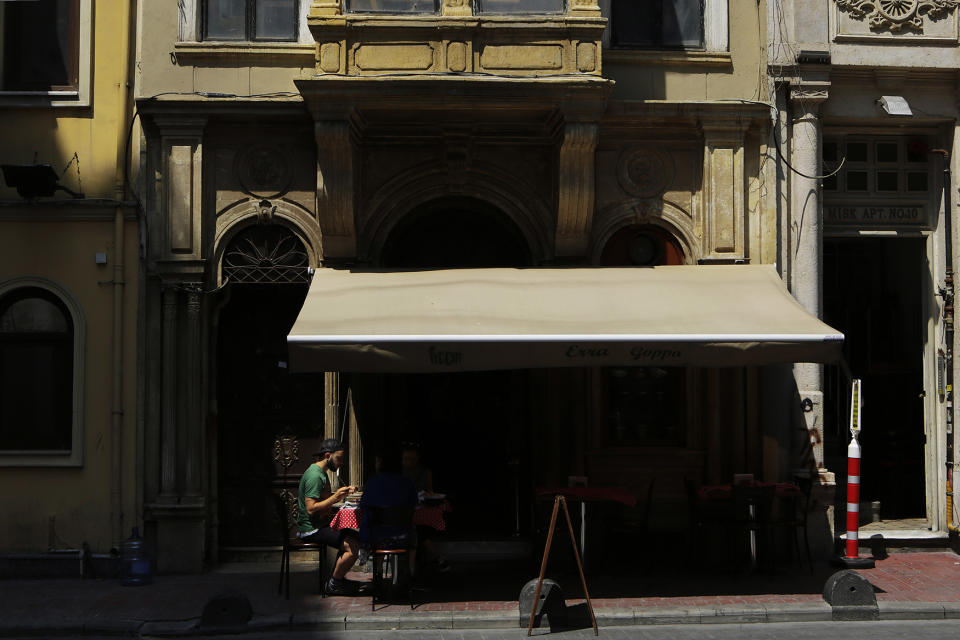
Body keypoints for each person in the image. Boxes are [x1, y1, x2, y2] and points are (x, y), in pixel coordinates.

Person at [296, 438, 361, 596]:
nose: (341, 462)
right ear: (327, 455)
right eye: (339, 458)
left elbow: (320, 498)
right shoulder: (315, 476)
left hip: (320, 525)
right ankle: (334, 584)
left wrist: (340, 493)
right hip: (311, 529)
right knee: (352, 546)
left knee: (354, 537)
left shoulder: (320, 473)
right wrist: (335, 497)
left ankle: (337, 579)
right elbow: (311, 509)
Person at [360, 443, 419, 577]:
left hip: (378, 538)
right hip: (403, 537)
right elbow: (414, 505)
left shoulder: (371, 483)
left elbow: (364, 508)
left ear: (380, 462)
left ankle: (378, 570)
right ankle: (411, 569)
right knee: (414, 531)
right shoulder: (406, 483)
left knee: (374, 527)